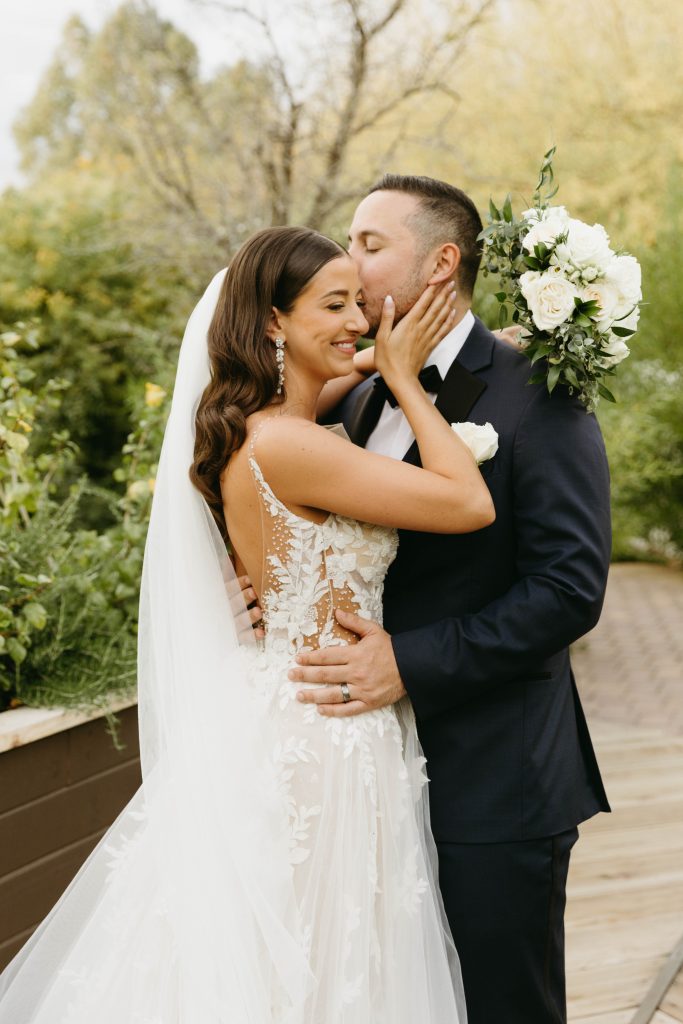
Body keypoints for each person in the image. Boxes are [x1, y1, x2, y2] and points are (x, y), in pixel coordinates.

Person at [0, 224, 497, 1022]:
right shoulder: (292, 444)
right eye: (333, 306)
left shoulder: (253, 425)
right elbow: (468, 503)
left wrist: (377, 356)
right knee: (316, 967)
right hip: (321, 738)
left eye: (360, 305)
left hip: (289, 711)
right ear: (272, 321)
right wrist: (404, 379)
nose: (358, 323)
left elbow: (330, 373)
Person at [289, 175, 612, 1024]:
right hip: (371, 779)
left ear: (440, 262)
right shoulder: (359, 394)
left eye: (368, 245)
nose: (347, 264)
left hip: (495, 780)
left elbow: (568, 589)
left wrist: (407, 660)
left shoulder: (538, 393)